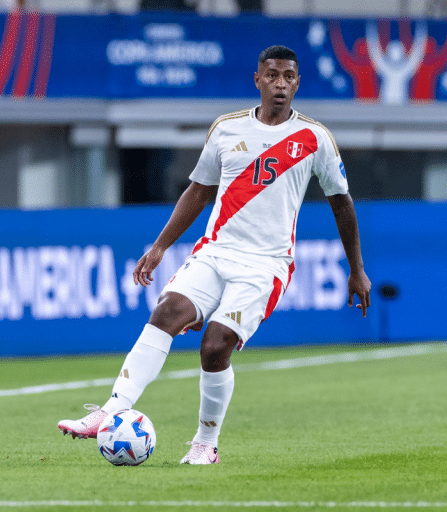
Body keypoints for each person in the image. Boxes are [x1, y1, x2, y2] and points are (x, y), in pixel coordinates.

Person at [58, 45, 372, 465]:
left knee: (214, 345)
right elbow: (199, 191)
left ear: (297, 83)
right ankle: (112, 410)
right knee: (166, 311)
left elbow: (341, 202)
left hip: (265, 266)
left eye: (289, 77)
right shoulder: (226, 129)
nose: (280, 84)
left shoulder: (314, 139)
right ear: (257, 80)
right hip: (215, 252)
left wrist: (357, 270)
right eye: (273, 75)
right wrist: (160, 246)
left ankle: (206, 443)